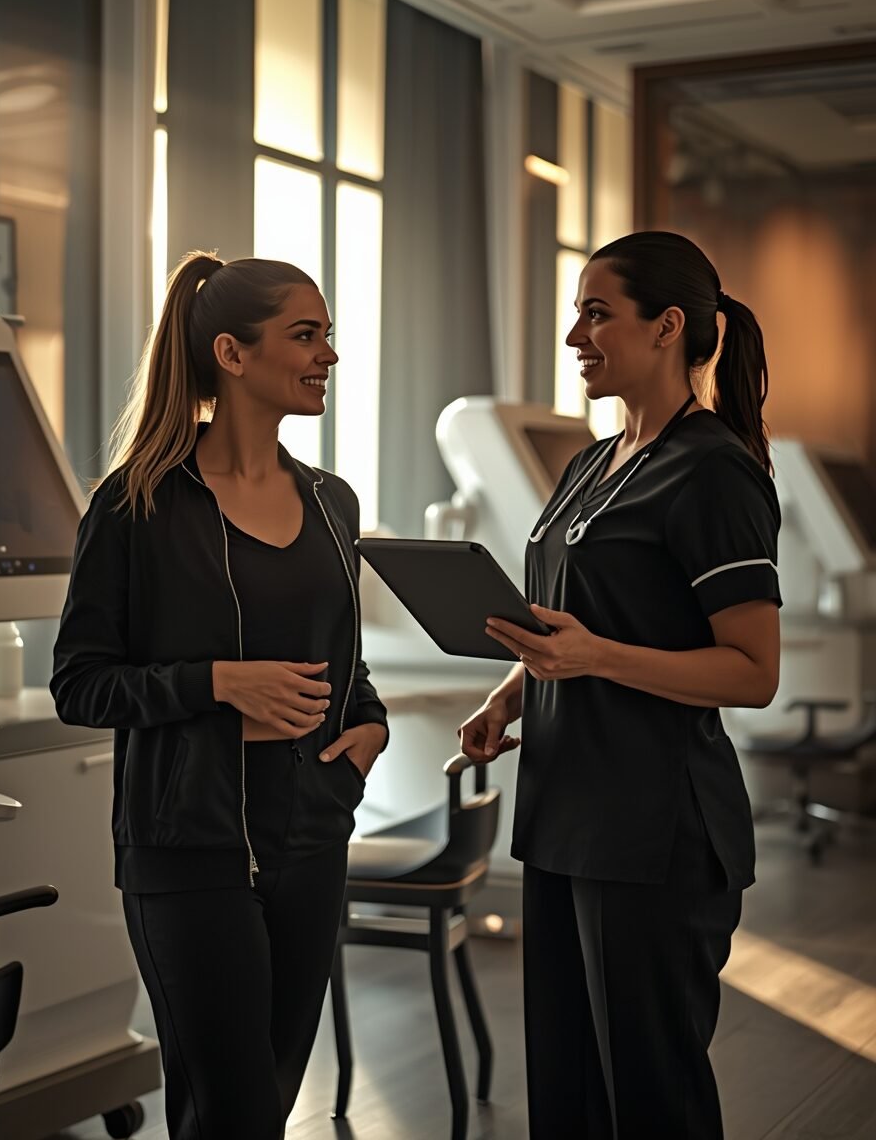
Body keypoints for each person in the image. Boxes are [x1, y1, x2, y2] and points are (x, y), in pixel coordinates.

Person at [51, 251, 388, 1139]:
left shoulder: (333, 504)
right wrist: (213, 685)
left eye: (329, 336)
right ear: (233, 355)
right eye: (305, 335)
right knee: (228, 1114)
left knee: (268, 1104)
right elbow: (80, 683)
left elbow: (345, 660)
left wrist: (371, 728)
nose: (329, 356)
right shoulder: (135, 506)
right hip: (188, 851)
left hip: (313, 839)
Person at [459, 231, 781, 1139]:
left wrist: (595, 659)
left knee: (650, 1102)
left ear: (668, 325)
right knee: (567, 1094)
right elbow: (578, 623)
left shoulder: (713, 471)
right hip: (565, 815)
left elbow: (754, 672)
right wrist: (512, 694)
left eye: (597, 313)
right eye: (577, 314)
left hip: (657, 834)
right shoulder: (591, 464)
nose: (575, 336)